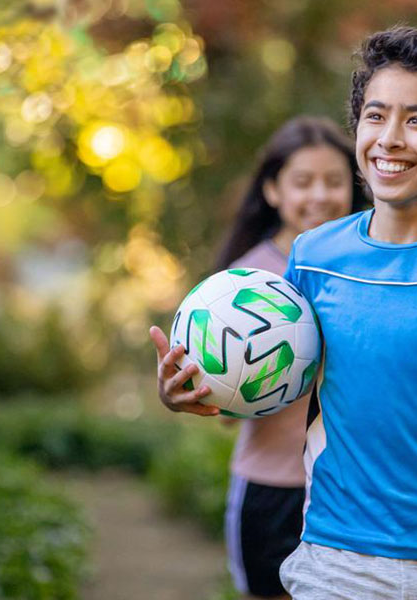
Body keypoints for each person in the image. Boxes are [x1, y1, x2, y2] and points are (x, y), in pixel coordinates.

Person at [151, 26, 417, 598]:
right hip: (334, 559)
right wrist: (194, 388)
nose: (389, 139)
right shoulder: (314, 256)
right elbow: (268, 373)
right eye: (375, 116)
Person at [152, 116, 365, 599]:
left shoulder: (372, 271)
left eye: (334, 181)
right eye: (302, 181)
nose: (320, 195)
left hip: (351, 493)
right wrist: (180, 395)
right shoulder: (242, 286)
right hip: (272, 489)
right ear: (273, 190)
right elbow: (225, 412)